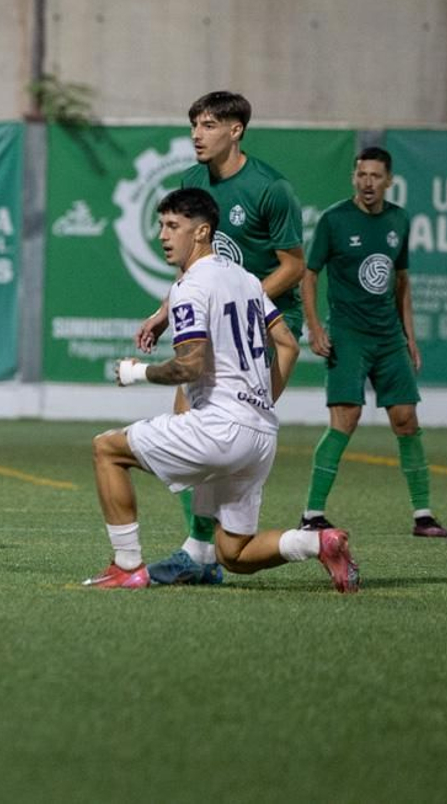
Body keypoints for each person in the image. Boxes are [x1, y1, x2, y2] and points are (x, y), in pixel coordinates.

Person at [87, 188, 358, 593]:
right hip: (260, 434)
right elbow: (286, 343)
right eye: (161, 225)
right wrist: (261, 399)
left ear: (202, 232)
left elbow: (190, 364)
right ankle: (319, 541)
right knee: (234, 553)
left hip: (220, 427)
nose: (163, 235)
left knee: (107, 449)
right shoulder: (247, 280)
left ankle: (126, 566)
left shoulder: (189, 288)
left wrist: (136, 372)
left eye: (173, 226)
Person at [136, 90, 305, 585]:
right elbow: (197, 267)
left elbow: (294, 266)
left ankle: (205, 552)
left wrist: (244, 304)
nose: (196, 134)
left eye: (208, 125)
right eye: (193, 124)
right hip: (219, 323)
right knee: (191, 425)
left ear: (236, 131)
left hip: (266, 336)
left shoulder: (272, 189)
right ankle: (203, 552)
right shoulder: (193, 182)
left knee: (230, 434)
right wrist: (165, 311)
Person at [300, 147, 447, 537]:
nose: (368, 182)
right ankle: (312, 514)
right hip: (348, 336)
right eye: (361, 175)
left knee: (406, 419)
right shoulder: (334, 220)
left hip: (388, 338)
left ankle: (423, 515)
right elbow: (309, 274)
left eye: (375, 176)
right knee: (346, 419)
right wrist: (315, 328)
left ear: (389, 181)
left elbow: (401, 280)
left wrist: (410, 338)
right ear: (353, 178)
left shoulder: (399, 219)